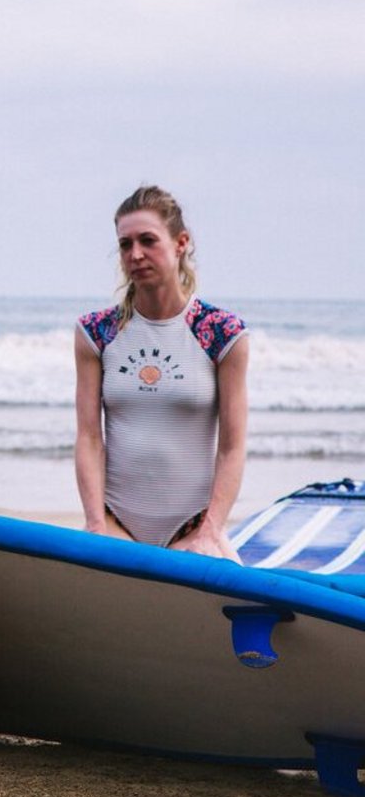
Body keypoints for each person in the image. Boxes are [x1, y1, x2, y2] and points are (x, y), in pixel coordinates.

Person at [74, 185, 248, 561]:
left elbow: (232, 448)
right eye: (125, 244)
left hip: (195, 531)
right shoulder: (96, 332)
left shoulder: (222, 332)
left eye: (148, 241)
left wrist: (210, 532)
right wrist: (95, 526)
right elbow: (89, 438)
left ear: (181, 242)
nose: (135, 254)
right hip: (114, 525)